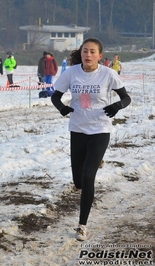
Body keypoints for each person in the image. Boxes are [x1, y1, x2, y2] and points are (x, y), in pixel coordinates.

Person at [51, 38, 131, 241]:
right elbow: (55, 96)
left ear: (99, 56)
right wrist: (62, 108)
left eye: (92, 52)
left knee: (88, 177)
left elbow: (126, 98)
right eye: (85, 51)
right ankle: (96, 160)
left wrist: (116, 107)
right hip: (77, 129)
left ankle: (82, 225)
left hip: (100, 129)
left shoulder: (108, 74)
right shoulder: (71, 73)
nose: (88, 55)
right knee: (78, 182)